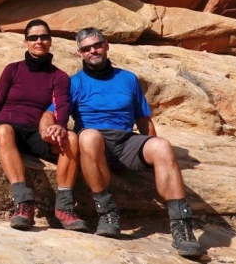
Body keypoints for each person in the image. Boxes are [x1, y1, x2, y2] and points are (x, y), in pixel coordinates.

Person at [41, 27, 205, 259]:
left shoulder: (128, 78)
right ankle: (107, 212)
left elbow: (143, 119)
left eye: (96, 45)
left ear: (106, 45)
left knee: (162, 146)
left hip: (125, 141)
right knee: (88, 135)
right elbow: (50, 114)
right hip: (94, 145)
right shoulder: (73, 83)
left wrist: (154, 157)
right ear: (80, 53)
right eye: (86, 49)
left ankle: (182, 226)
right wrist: (48, 131)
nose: (93, 51)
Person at [0, 19, 87, 231]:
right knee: (3, 130)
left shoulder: (58, 76)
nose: (39, 41)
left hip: (34, 132)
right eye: (33, 37)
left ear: (50, 42)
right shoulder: (13, 70)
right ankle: (23, 203)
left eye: (43, 37)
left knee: (70, 138)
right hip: (7, 127)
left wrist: (60, 125)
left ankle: (64, 208)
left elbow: (62, 104)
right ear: (26, 42)